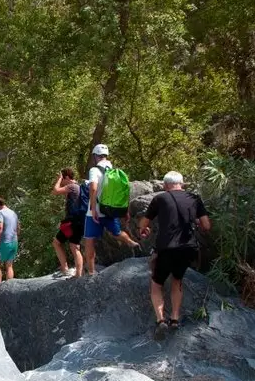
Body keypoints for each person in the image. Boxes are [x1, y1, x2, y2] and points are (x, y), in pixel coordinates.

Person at [138, 171, 211, 340]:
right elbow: (206, 225)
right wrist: (198, 223)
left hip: (166, 247)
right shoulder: (194, 198)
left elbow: (144, 224)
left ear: (165, 186)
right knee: (177, 280)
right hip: (188, 247)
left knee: (156, 283)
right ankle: (175, 319)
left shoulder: (160, 199)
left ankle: (161, 320)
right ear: (182, 184)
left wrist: (143, 230)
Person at [84, 144, 139, 275]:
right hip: (110, 209)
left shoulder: (94, 170)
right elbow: (122, 191)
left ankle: (91, 272)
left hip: (95, 211)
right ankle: (132, 243)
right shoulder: (113, 170)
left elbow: (93, 188)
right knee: (117, 232)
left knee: (89, 240)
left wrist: (93, 208)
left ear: (94, 156)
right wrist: (125, 210)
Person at [51, 168, 84, 277]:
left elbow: (55, 191)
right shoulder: (78, 187)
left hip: (72, 222)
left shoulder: (71, 186)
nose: (62, 181)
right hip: (80, 221)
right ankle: (78, 274)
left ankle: (65, 269)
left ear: (66, 177)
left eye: (62, 178)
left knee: (56, 242)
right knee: (75, 247)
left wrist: (59, 179)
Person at [0, 197, 20, 284]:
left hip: (5, 242)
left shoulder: (0, 213)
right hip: (14, 241)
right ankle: (10, 286)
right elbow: (18, 227)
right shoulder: (13, 213)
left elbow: (0, 227)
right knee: (9, 265)